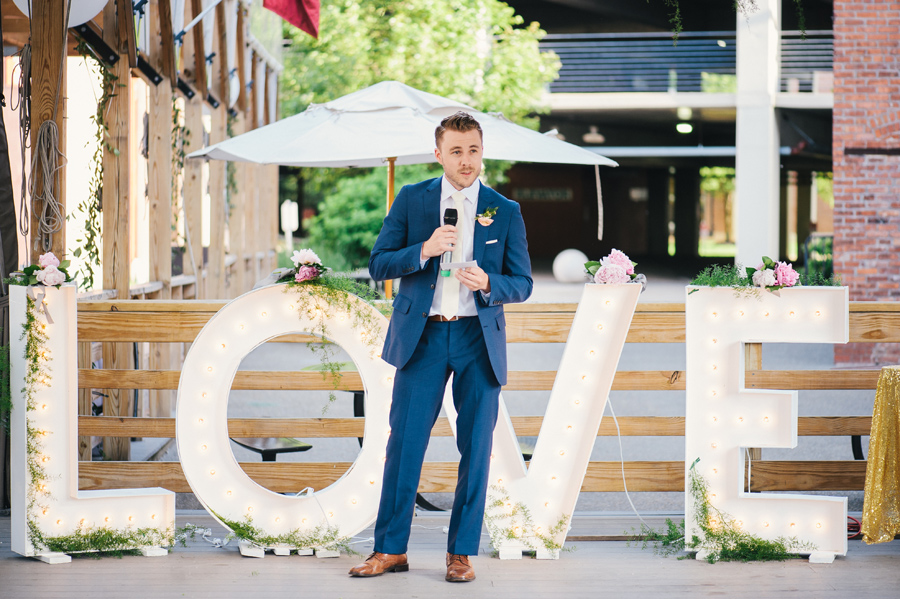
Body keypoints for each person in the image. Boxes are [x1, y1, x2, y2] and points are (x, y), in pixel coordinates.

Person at [349, 112, 532, 582]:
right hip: (423, 338)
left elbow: (523, 283)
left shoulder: (504, 209)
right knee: (404, 445)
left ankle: (461, 554)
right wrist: (425, 250)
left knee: (477, 449)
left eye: (473, 150)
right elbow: (378, 264)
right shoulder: (413, 200)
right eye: (456, 151)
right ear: (438, 153)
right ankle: (390, 550)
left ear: (481, 150)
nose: (465, 160)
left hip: (477, 340)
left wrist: (492, 283)